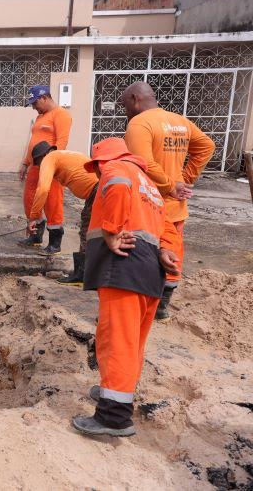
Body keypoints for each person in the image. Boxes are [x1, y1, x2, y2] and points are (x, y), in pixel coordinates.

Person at [71, 137, 180, 438]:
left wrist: (112, 230)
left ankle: (113, 417)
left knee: (116, 341)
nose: (98, 174)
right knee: (133, 343)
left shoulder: (116, 168)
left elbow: (116, 186)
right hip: (150, 272)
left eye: (96, 169)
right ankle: (114, 394)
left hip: (124, 267)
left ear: (101, 162)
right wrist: (168, 252)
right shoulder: (150, 188)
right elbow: (168, 230)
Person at [120, 81, 215, 321]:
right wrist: (184, 178)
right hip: (176, 207)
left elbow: (144, 164)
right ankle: (162, 306)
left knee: (146, 253)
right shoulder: (179, 121)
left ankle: (147, 305)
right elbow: (207, 146)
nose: (125, 111)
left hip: (150, 204)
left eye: (124, 105)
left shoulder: (139, 124)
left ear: (134, 99)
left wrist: (172, 185)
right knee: (173, 253)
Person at [26, 142, 98, 278]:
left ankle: (82, 276)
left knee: (87, 230)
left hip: (96, 190)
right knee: (98, 230)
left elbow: (43, 189)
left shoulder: (49, 159)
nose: (41, 167)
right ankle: (91, 274)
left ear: (42, 157)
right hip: (101, 187)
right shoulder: (66, 155)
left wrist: (34, 216)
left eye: (39, 164)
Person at [18, 85, 72, 252]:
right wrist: (25, 163)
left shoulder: (61, 114)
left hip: (51, 165)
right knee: (30, 198)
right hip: (35, 165)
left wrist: (53, 162)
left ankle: (55, 242)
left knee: (52, 201)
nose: (34, 107)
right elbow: (33, 142)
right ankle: (36, 235)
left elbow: (62, 141)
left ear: (44, 98)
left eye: (35, 103)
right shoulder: (41, 116)